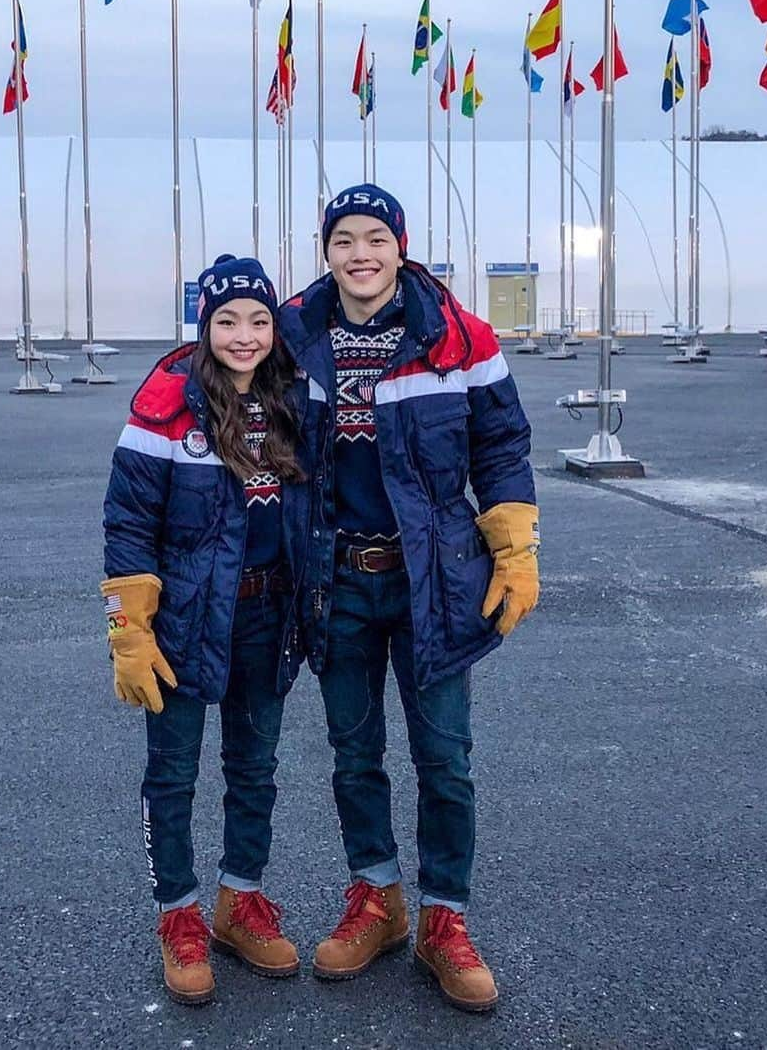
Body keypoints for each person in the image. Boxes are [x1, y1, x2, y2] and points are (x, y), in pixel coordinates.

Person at [278, 185, 540, 1013]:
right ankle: (377, 900)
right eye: (344, 239)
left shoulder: (458, 336)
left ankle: (444, 921)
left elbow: (501, 442)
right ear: (326, 251)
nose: (360, 254)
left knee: (445, 762)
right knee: (354, 755)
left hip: (433, 581)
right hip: (336, 579)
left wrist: (514, 544)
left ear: (402, 245)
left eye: (375, 238)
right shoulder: (291, 336)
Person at [101, 254, 315, 1005]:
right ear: (204, 325)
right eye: (227, 320)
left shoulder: (292, 399)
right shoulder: (166, 405)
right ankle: (180, 917)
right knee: (173, 775)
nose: (245, 335)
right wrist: (130, 628)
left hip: (266, 613)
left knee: (254, 769)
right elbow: (127, 522)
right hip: (186, 621)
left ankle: (239, 901)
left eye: (259, 319)